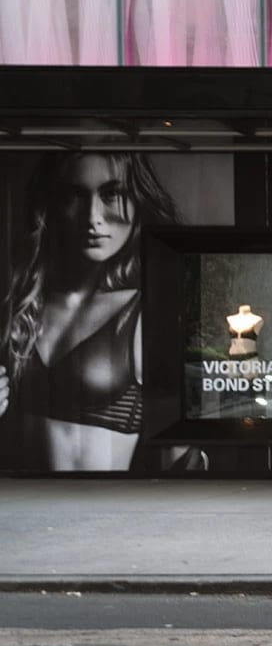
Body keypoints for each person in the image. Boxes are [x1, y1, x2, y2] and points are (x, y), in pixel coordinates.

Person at [0, 152, 178, 470]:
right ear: (52, 204)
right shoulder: (22, 305)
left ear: (138, 201)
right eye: (74, 195)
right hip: (22, 508)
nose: (93, 217)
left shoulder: (147, 313)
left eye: (111, 194)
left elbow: (179, 454)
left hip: (100, 511)